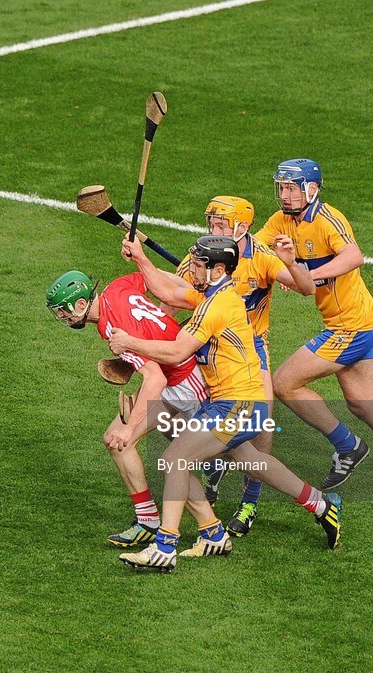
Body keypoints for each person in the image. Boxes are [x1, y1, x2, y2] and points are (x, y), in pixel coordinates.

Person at [110, 235, 342, 572]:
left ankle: (165, 546)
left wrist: (130, 342)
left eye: (199, 265)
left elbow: (177, 352)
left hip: (237, 404)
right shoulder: (214, 294)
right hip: (229, 401)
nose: (192, 270)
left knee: (175, 458)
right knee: (249, 459)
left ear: (218, 270)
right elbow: (169, 292)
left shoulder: (215, 306)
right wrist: (141, 259)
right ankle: (320, 505)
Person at [256, 158, 373, 492]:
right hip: (364, 321)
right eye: (281, 188)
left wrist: (308, 276)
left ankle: (348, 446)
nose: (284, 195)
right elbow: (253, 249)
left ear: (311, 190)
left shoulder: (327, 219)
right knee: (363, 403)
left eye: (292, 188)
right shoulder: (280, 220)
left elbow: (354, 256)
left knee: (284, 383)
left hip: (351, 327)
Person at [169, 196, 313, 537]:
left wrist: (292, 264)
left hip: (251, 347)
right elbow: (172, 298)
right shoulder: (203, 255)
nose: (214, 229)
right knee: (180, 407)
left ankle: (249, 501)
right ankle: (211, 459)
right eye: (212, 223)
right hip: (209, 344)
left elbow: (306, 288)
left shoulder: (261, 256)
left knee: (261, 425)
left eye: (221, 224)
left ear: (242, 227)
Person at [45, 270, 208, 548]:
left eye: (63, 311)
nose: (62, 317)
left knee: (187, 459)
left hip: (185, 384)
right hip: (173, 379)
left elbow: (155, 379)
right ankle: (148, 521)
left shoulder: (113, 329)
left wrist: (130, 427)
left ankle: (213, 529)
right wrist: (196, 294)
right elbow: (152, 276)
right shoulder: (117, 287)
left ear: (81, 304)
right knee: (116, 440)